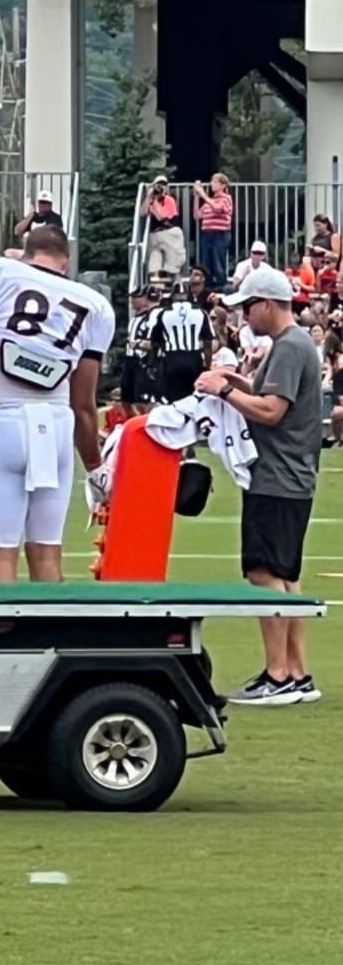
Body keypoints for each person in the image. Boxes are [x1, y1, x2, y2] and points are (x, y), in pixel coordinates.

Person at [0, 226, 115, 583]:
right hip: (57, 429)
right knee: (48, 559)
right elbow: (84, 404)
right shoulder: (95, 305)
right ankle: (49, 639)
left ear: (25, 251)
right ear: (66, 261)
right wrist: (96, 468)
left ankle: (5, 640)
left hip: (2, 425)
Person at [195, 266, 324, 705]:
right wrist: (235, 383)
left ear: (268, 303)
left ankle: (278, 674)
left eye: (248, 307)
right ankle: (297, 672)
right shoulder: (293, 345)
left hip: (277, 475)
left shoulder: (290, 346)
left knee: (265, 572)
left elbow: (271, 411)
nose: (245, 316)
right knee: (285, 575)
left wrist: (224, 391)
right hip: (291, 476)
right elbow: (270, 394)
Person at [149, 281, 212, 403]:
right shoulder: (200, 312)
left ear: (173, 295)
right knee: (194, 397)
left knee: (174, 399)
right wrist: (207, 366)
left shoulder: (163, 313)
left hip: (172, 359)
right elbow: (207, 343)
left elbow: (155, 342)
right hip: (193, 358)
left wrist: (153, 363)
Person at [121, 286, 159, 416]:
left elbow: (155, 342)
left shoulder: (152, 317)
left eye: (136, 297)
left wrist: (139, 344)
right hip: (130, 359)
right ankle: (134, 422)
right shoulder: (134, 319)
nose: (132, 300)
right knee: (126, 397)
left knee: (143, 399)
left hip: (142, 360)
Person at [193, 173, 233, 290]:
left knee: (218, 261)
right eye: (212, 181)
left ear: (223, 185)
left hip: (220, 234)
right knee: (207, 262)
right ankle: (208, 285)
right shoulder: (209, 201)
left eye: (215, 182)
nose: (212, 184)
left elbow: (218, 208)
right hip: (207, 234)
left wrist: (203, 194)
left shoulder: (226, 198)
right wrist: (196, 197)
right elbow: (197, 215)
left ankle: (221, 284)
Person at [141, 175, 184, 281]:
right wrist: (149, 196)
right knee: (154, 265)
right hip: (155, 235)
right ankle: (156, 289)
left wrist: (155, 203)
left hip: (170, 233)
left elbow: (162, 217)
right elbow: (142, 213)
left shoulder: (169, 200)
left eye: (164, 185)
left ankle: (178, 288)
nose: (161, 187)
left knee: (174, 266)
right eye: (159, 185)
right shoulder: (151, 199)